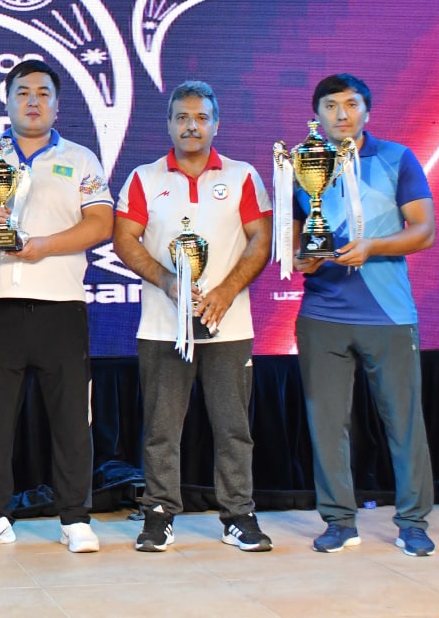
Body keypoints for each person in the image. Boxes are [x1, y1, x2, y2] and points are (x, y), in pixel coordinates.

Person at [0, 59, 114, 554]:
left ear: (57, 105)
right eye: (22, 92)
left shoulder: (80, 158)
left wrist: (44, 246)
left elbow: (101, 223)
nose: (33, 101)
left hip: (61, 305)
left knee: (71, 418)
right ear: (7, 101)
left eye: (43, 93)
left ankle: (75, 517)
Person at [112, 80, 274, 553]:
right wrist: (169, 282)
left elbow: (261, 239)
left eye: (201, 117)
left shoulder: (243, 176)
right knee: (161, 430)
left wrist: (225, 291)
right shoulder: (144, 177)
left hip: (229, 324)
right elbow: (125, 239)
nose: (191, 126)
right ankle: (159, 514)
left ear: (216, 124)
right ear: (168, 124)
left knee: (233, 428)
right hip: (164, 326)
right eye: (182, 117)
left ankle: (238, 515)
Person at [293, 73, 436, 556]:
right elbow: (295, 239)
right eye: (330, 105)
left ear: (366, 112)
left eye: (351, 104)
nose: (341, 113)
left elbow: (424, 231)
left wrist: (372, 246)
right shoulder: (302, 162)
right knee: (327, 425)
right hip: (322, 315)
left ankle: (413, 523)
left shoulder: (397, 158)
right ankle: (339, 521)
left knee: (404, 423)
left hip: (389, 315)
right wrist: (302, 256)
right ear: (317, 115)